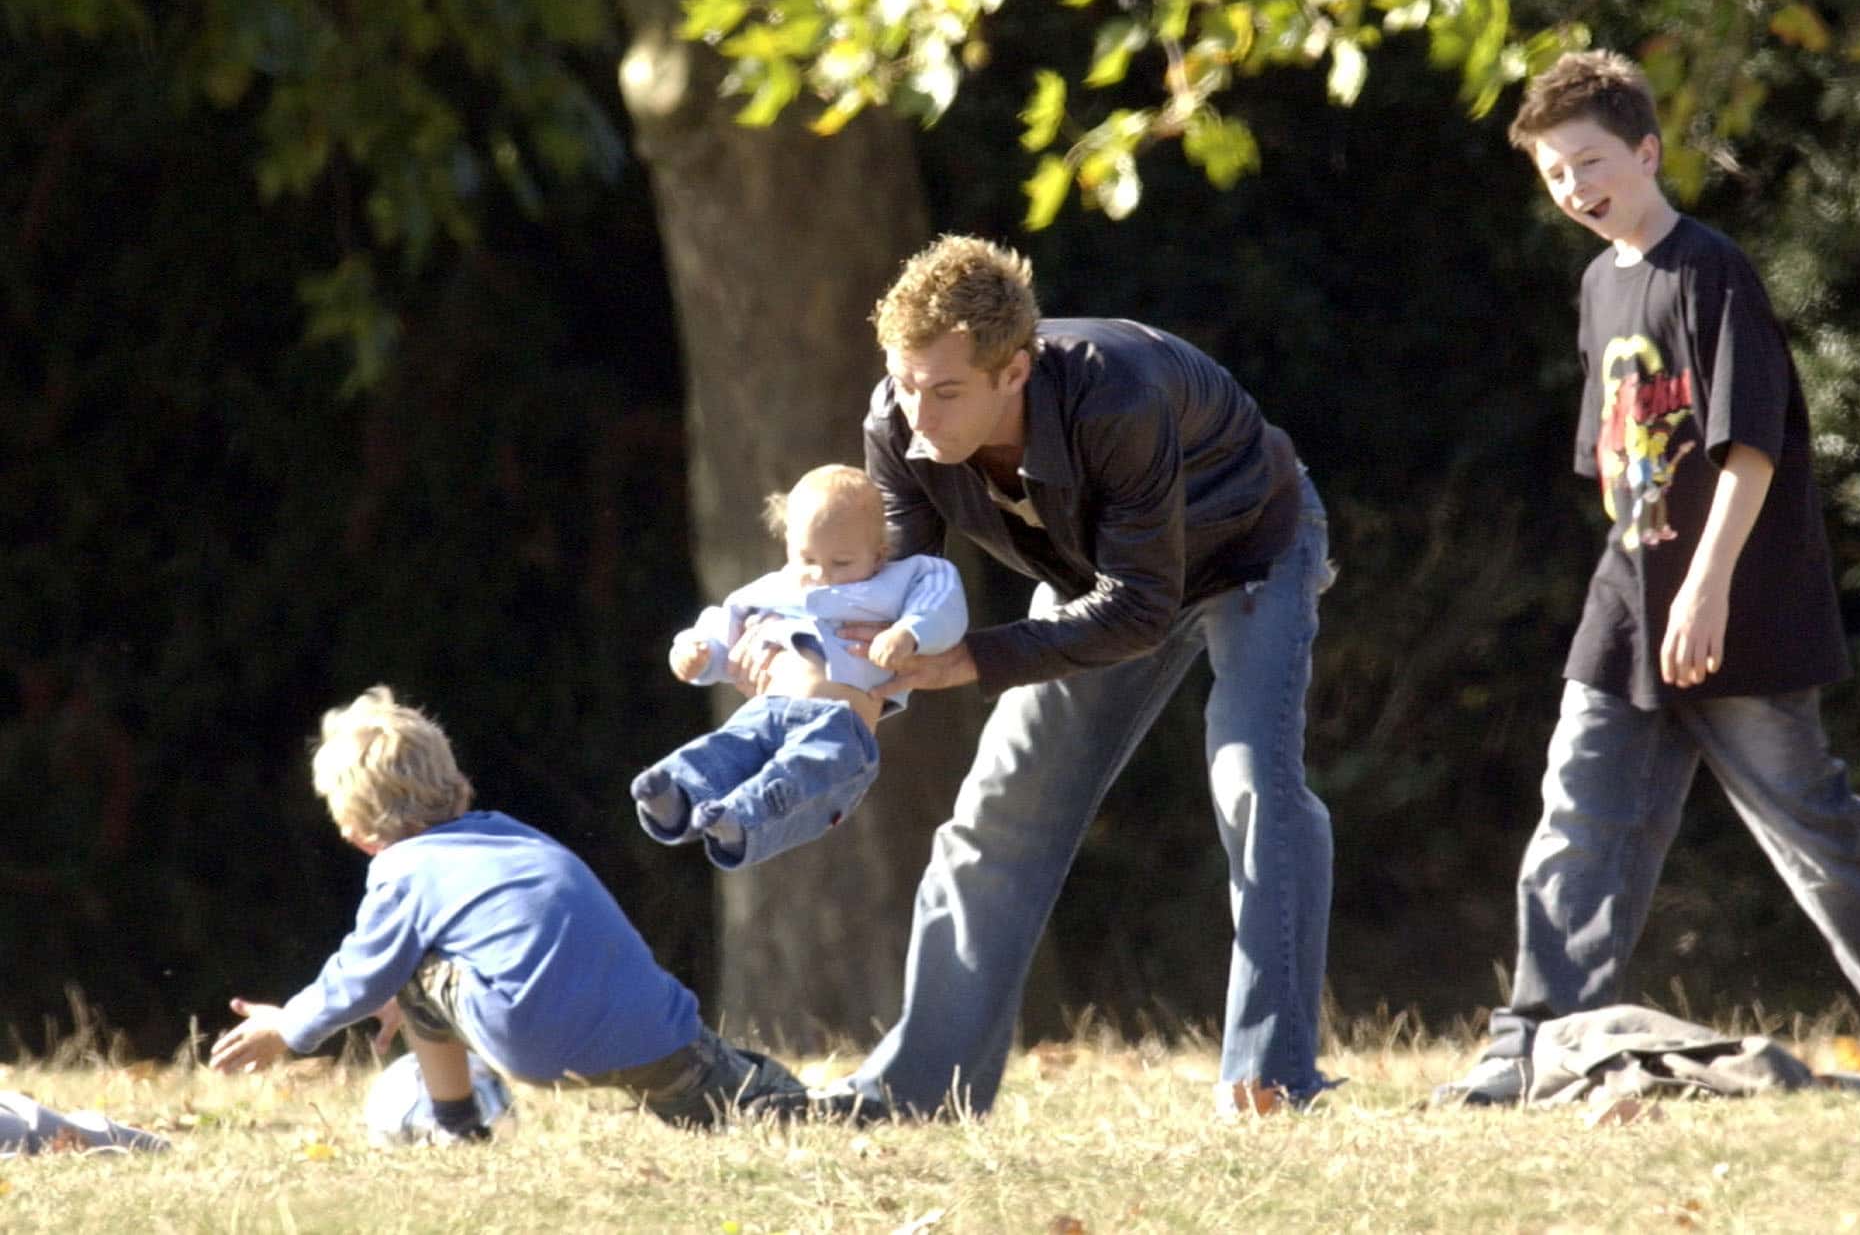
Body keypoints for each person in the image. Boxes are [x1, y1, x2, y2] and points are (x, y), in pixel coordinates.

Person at [1434, 50, 1860, 1105]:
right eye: (1553, 175)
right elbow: (1614, 463)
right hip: (1630, 603)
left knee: (1809, 824)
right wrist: (1641, 591)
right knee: (1577, 815)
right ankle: (1537, 1039)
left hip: (1737, 606)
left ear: (1645, 150)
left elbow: (1746, 443)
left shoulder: (1707, 268)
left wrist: (1708, 583)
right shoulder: (1597, 285)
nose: (1576, 188)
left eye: (1589, 162)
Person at [804, 233, 1335, 1118]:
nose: (917, 414)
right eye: (903, 383)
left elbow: (1138, 608)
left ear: (1015, 372)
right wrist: (816, 680)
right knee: (999, 812)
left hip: (1250, 549)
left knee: (1255, 786)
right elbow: (893, 597)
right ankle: (917, 1090)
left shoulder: (1114, 397)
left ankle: (1270, 1080)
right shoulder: (896, 423)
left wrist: (973, 658)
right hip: (1104, 579)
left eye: (945, 391)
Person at [209, 686, 805, 1135]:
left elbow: (359, 974)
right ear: (455, 780)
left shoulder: (402, 870)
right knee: (757, 1103)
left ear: (355, 828)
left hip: (537, 1043)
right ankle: (804, 1110)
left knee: (412, 972)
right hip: (655, 1029)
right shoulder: (516, 837)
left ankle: (456, 1126)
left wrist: (286, 1027)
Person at [631, 464, 967, 869]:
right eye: (806, 559)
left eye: (842, 563)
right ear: (789, 544)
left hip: (839, 725)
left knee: (802, 774)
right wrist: (696, 652)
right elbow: (723, 626)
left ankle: (741, 821)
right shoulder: (775, 588)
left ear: (879, 555)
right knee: (728, 748)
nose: (822, 576)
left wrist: (910, 634)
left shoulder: (902, 580)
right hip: (764, 710)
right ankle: (678, 792)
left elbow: (942, 601)